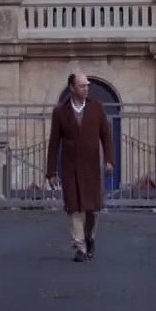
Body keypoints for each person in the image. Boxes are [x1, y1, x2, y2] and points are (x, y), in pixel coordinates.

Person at [45, 69, 114, 261]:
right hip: (70, 167)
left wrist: (109, 160)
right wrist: (51, 171)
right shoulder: (60, 112)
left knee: (92, 209)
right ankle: (80, 247)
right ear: (72, 88)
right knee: (74, 208)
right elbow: (54, 142)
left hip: (92, 166)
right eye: (82, 86)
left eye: (87, 86)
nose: (86, 89)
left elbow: (106, 136)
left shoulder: (96, 108)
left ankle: (90, 237)